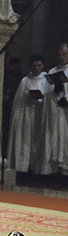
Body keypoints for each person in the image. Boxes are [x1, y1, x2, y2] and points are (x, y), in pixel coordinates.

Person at [6, 54, 47, 173]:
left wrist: (41, 100)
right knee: (25, 139)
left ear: (43, 66)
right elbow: (19, 101)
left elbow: (49, 99)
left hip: (40, 115)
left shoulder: (47, 80)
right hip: (27, 115)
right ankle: (23, 165)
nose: (36, 68)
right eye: (34, 65)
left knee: (38, 141)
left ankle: (37, 166)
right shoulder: (25, 80)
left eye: (39, 65)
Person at [38, 43, 68, 175]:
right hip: (52, 111)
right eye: (59, 54)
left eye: (64, 54)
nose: (61, 57)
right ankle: (50, 169)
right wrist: (56, 89)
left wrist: (66, 99)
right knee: (51, 136)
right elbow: (48, 89)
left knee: (62, 136)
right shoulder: (53, 71)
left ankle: (64, 168)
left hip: (64, 111)